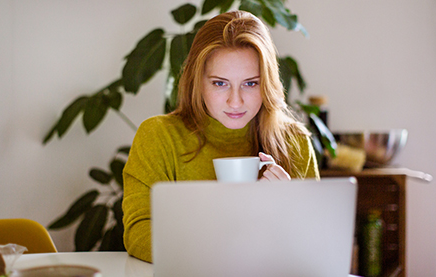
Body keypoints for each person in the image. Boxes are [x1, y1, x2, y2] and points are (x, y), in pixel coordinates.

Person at [122, 10, 319, 263]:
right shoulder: (159, 137)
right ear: (197, 81)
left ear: (267, 83)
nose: (235, 101)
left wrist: (285, 212)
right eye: (219, 83)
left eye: (250, 83)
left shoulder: (295, 142)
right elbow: (139, 233)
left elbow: (313, 247)